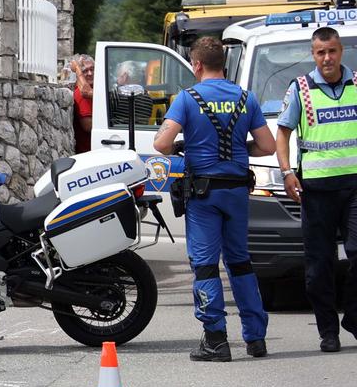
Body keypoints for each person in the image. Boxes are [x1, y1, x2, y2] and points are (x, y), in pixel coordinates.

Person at [153, 37, 274, 362]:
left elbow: (162, 145)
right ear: (224, 63)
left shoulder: (188, 98)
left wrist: (186, 146)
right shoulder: (246, 98)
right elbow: (267, 146)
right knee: (240, 261)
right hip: (236, 191)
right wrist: (238, 150)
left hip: (204, 194)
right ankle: (256, 338)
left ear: (196, 64)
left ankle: (216, 340)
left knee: (206, 265)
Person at [274, 26, 357, 353]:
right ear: (313, 55)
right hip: (316, 192)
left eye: (332, 51)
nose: (327, 58)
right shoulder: (301, 89)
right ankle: (328, 331)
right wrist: (286, 173)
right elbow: (283, 134)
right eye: (321, 53)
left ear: (341, 52)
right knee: (319, 265)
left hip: (354, 188)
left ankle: (353, 315)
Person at [68, 54, 95, 153]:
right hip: (89, 152)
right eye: (85, 71)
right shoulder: (81, 94)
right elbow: (88, 126)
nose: (90, 73)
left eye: (92, 69)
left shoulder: (93, 89)